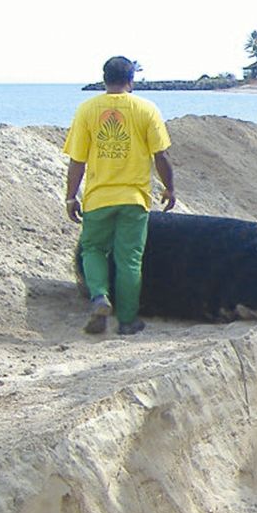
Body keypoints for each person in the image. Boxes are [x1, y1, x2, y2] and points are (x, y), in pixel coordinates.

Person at [62, 55, 177, 336]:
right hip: (134, 199)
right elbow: (160, 155)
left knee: (92, 249)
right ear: (131, 80)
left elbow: (77, 160)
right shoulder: (146, 109)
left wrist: (70, 197)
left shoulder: (87, 110)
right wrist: (170, 187)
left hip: (98, 198)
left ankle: (100, 297)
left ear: (104, 79)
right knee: (129, 259)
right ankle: (127, 321)